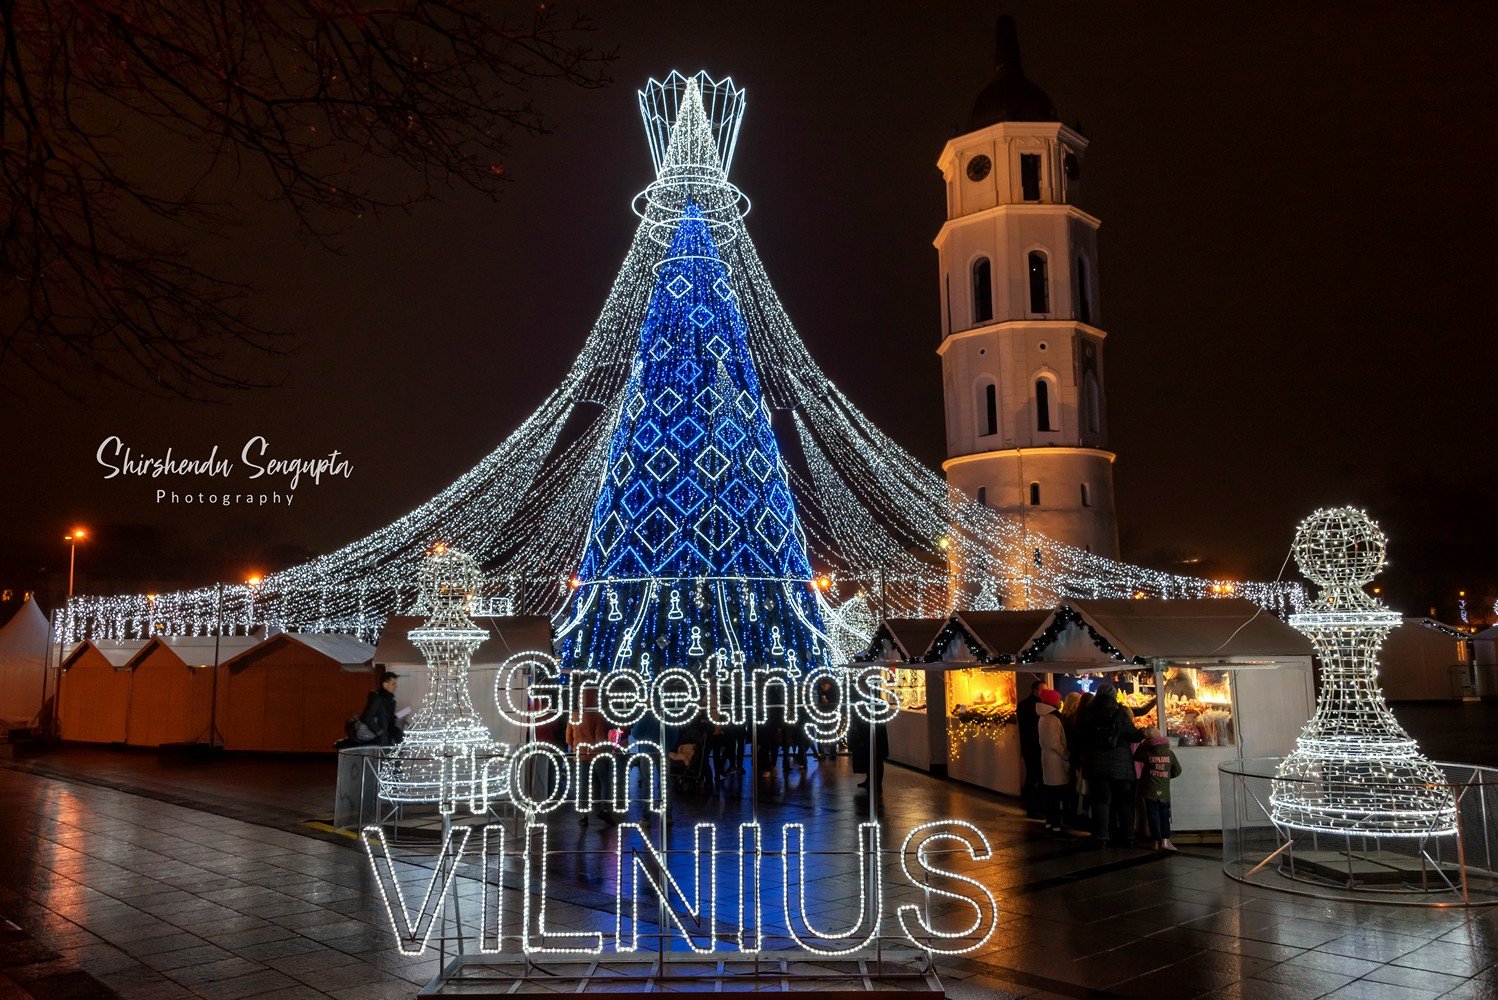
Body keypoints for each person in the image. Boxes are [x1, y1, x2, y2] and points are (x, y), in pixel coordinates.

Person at [1077, 682, 1142, 847]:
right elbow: (1134, 736)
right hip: (1122, 766)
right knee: (1125, 801)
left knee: (1100, 801)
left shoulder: (1087, 713)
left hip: (1096, 765)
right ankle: (1128, 836)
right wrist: (1144, 732)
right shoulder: (1120, 713)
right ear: (1113, 697)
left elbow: (1079, 736)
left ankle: (1102, 836)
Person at [566, 688, 618, 826]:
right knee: (605, 781)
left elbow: (568, 737)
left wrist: (574, 747)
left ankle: (583, 815)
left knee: (583, 785)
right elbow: (599, 737)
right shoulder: (596, 715)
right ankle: (604, 809)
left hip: (580, 753)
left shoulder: (574, 715)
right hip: (596, 754)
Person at [1134, 726, 1182, 851]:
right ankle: (1166, 841)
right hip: (1164, 791)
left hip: (1150, 791)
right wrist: (1166, 777)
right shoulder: (1170, 754)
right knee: (1165, 815)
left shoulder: (1147, 753)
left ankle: (1155, 841)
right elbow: (1178, 770)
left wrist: (1144, 744)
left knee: (1152, 815)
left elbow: (1136, 756)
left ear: (1148, 740)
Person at [1036, 688, 1069, 834]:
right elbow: (1055, 743)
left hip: (1047, 759)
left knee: (1050, 793)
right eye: (1058, 698)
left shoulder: (1043, 717)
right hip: (1055, 761)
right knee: (1055, 795)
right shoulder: (1053, 719)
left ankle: (1050, 822)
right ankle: (1056, 825)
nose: (1060, 701)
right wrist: (1066, 754)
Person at [1017, 679, 1045, 818]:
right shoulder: (1038, 706)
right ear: (1035, 690)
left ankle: (1031, 807)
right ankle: (1035, 808)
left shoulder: (1022, 705)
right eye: (1043, 690)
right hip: (1035, 747)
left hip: (1028, 747)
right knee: (1036, 777)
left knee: (1031, 777)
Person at [359, 671, 405, 747]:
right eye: (393, 684)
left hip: (386, 738)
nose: (396, 686)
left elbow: (389, 719)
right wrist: (378, 731)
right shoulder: (378, 699)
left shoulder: (391, 701)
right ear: (385, 685)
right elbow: (367, 716)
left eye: (396, 684)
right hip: (379, 740)